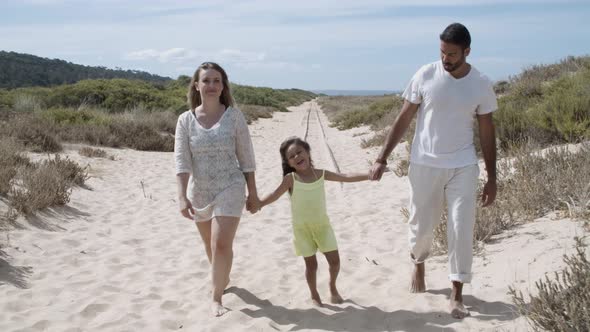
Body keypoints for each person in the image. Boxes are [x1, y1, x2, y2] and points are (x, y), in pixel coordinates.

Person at [369, 23, 498, 319]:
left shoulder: (480, 83)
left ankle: (456, 293)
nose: (445, 59)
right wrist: (381, 157)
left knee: (461, 227)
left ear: (467, 51)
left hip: (463, 165)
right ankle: (418, 261)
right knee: (421, 226)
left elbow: (487, 131)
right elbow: (404, 118)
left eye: (452, 54)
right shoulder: (425, 74)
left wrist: (492, 177)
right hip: (425, 163)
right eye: (442, 52)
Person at [174, 62, 260, 317]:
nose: (212, 86)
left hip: (231, 186)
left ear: (223, 86)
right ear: (196, 85)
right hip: (200, 190)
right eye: (207, 80)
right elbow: (182, 161)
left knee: (220, 243)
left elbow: (247, 158)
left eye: (217, 81)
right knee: (211, 248)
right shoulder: (185, 120)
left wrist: (252, 193)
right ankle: (223, 277)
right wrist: (181, 195)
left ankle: (216, 297)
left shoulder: (234, 116)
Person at [255, 137, 370, 307]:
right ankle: (314, 294)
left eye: (299, 152)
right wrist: (260, 204)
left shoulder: (321, 174)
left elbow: (344, 176)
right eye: (291, 156)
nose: (297, 157)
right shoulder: (291, 178)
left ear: (308, 152)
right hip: (302, 229)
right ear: (288, 163)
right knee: (311, 265)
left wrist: (369, 175)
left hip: (323, 226)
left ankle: (332, 287)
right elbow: (275, 194)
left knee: (335, 261)